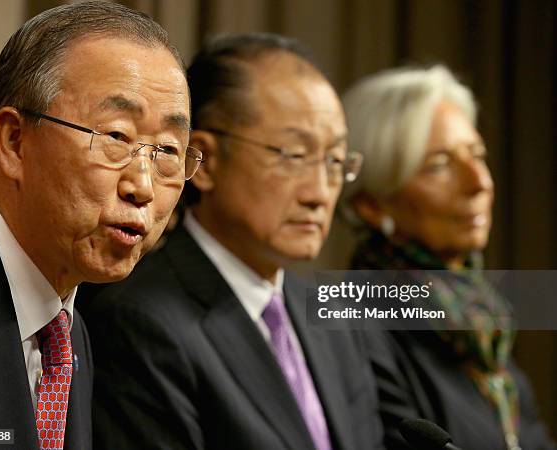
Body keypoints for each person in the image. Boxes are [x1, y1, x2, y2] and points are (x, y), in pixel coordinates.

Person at [79, 32, 382, 450]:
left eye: (333, 161)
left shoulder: (330, 314)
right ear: (204, 161)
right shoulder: (139, 321)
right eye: (294, 155)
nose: (318, 193)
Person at [0, 2, 198, 449]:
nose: (142, 186)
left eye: (168, 151)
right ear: (14, 141)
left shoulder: (67, 328)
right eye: (117, 137)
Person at [340, 65, 556, 450]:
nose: (480, 182)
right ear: (373, 204)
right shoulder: (355, 329)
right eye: (440, 165)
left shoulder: (484, 328)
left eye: (478, 154)